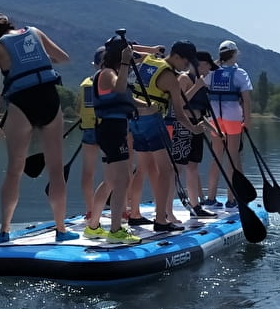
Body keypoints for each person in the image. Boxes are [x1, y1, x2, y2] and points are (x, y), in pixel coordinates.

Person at [0, 11, 79, 243]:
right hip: (49, 101)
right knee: (56, 170)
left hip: (22, 105)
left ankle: (4, 232)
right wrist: (39, 59)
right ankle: (61, 230)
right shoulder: (35, 32)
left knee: (14, 170)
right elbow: (63, 58)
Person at [129, 40, 207, 232]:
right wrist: (195, 129)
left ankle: (134, 214)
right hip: (154, 122)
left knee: (142, 170)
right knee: (167, 171)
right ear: (177, 57)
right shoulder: (171, 77)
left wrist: (151, 48)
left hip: (135, 121)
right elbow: (180, 114)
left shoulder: (149, 60)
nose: (186, 67)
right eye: (186, 63)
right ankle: (161, 220)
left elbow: (128, 49)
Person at [83, 35, 151, 244]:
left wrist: (150, 107)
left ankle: (93, 226)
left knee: (111, 180)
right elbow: (120, 88)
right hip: (111, 130)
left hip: (113, 129)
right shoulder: (106, 74)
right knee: (123, 180)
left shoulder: (114, 72)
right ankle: (115, 230)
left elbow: (125, 98)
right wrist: (125, 61)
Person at [204, 40, 253, 210]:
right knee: (233, 158)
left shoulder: (211, 73)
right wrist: (247, 120)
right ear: (234, 54)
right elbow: (246, 100)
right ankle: (232, 200)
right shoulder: (240, 73)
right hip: (233, 119)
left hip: (215, 120)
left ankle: (210, 198)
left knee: (216, 158)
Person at [170, 51, 219, 218]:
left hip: (197, 127)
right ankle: (166, 209)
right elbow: (179, 103)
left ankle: (195, 205)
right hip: (183, 126)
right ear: (199, 65)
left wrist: (213, 129)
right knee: (178, 168)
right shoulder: (184, 79)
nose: (209, 69)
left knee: (193, 167)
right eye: (208, 66)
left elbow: (200, 111)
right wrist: (196, 86)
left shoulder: (203, 84)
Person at [78, 46, 105, 220]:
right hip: (107, 129)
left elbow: (78, 108)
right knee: (119, 172)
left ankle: (90, 210)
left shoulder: (85, 83)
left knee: (88, 172)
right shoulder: (111, 81)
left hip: (89, 129)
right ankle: (125, 209)